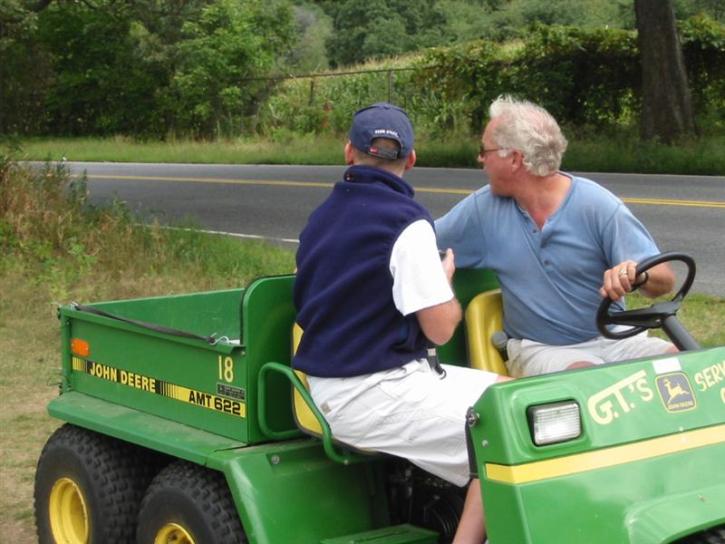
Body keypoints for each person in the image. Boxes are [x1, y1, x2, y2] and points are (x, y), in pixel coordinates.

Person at [293, 102, 507, 543]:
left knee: (514, 399)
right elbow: (441, 330)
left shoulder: (319, 220)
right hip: (372, 391)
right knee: (509, 431)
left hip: (340, 385)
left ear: (348, 152)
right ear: (411, 159)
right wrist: (443, 283)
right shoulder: (406, 225)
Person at [436, 95, 677, 378]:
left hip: (614, 339)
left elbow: (664, 280)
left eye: (484, 149)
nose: (480, 158)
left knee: (683, 364)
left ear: (514, 159)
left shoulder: (597, 204)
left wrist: (639, 275)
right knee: (587, 381)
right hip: (541, 349)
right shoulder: (482, 209)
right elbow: (418, 241)